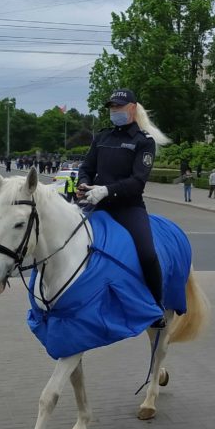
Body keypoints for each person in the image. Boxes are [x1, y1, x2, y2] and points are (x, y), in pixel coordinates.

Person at [77, 88, 168, 327]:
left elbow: (138, 181)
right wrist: (83, 183)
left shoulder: (143, 141)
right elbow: (87, 166)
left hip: (127, 207)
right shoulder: (102, 137)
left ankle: (155, 307)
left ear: (132, 108)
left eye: (119, 107)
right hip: (95, 204)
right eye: (112, 107)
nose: (114, 111)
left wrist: (106, 190)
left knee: (148, 254)